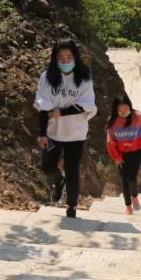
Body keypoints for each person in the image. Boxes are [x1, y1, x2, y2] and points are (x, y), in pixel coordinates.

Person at [33, 40, 97, 218]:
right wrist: (42, 134)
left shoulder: (84, 77)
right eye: (61, 57)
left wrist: (62, 112)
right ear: (54, 58)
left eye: (69, 57)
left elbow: (87, 105)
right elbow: (43, 105)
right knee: (47, 166)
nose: (65, 60)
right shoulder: (46, 77)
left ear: (75, 57)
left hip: (76, 133)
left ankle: (72, 207)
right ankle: (58, 181)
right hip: (53, 132)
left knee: (72, 169)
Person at [105, 93, 141, 215]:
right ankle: (128, 206)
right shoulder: (113, 122)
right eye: (120, 110)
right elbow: (110, 142)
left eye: (125, 109)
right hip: (121, 154)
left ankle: (135, 196)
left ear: (129, 106)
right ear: (115, 110)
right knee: (124, 179)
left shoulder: (138, 118)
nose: (123, 112)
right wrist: (116, 157)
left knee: (132, 176)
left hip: (137, 151)